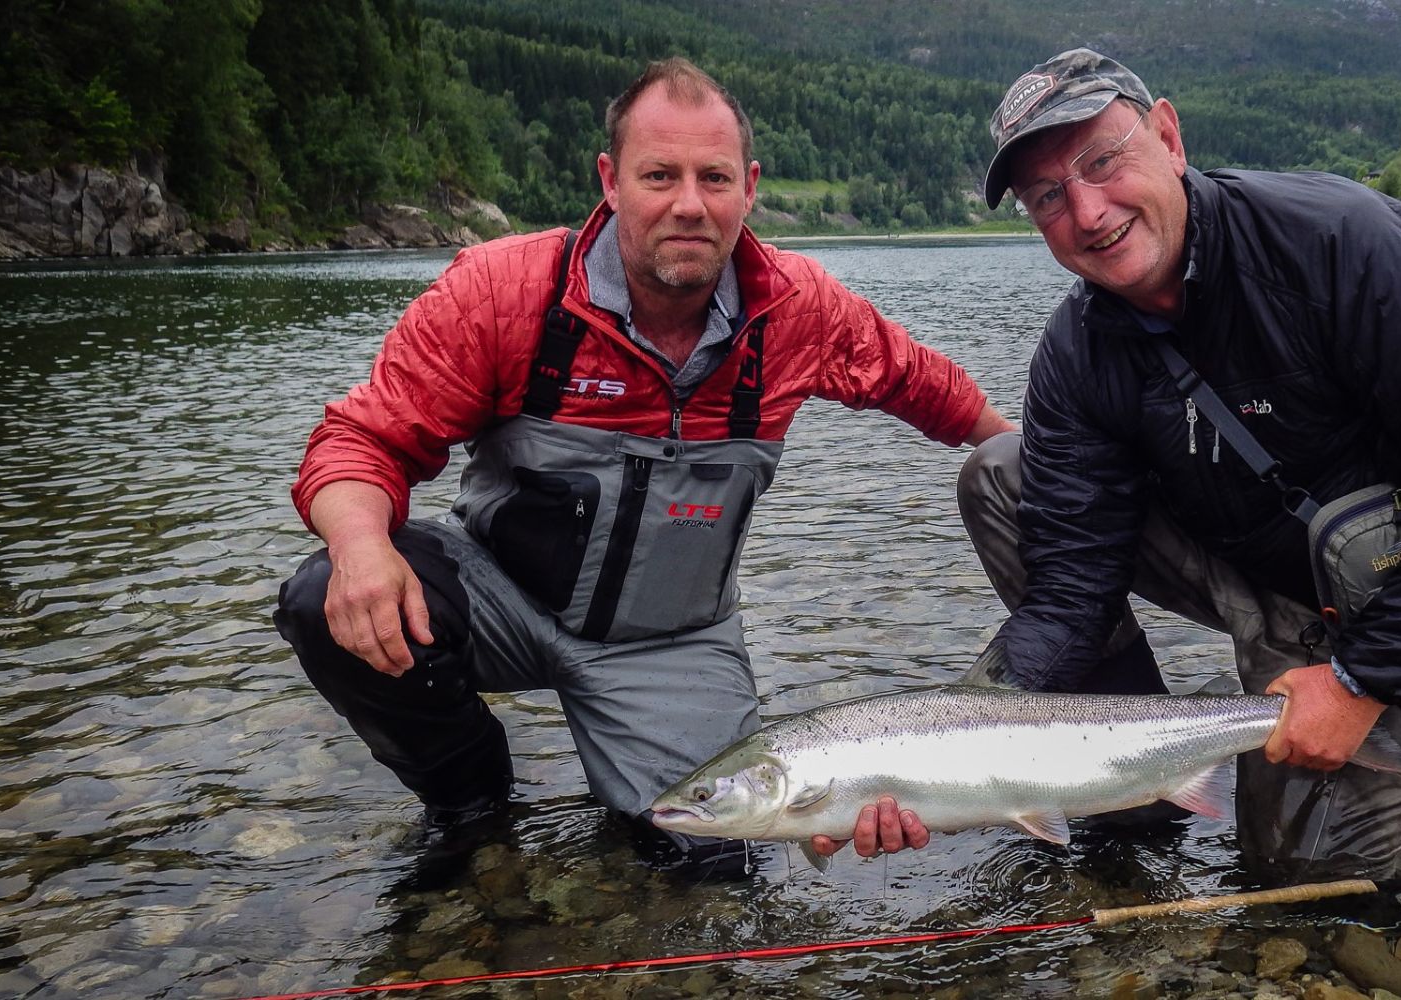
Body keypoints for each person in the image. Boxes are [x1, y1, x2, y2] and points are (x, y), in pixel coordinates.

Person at [274, 57, 1009, 879]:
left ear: (750, 187)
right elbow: (360, 441)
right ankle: (472, 806)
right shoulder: (503, 290)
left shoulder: (797, 310)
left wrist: (1027, 464)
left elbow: (928, 388)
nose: (688, 204)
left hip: (672, 642)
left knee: (715, 856)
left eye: (713, 178)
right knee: (322, 596)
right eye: (659, 175)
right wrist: (361, 545)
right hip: (498, 600)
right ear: (610, 180)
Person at [951, 48, 1401, 882]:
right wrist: (959, 727)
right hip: (1239, 563)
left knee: (1312, 880)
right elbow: (1069, 591)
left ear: (1167, 134)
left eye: (1103, 161)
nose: (1089, 212)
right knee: (1002, 472)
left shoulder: (1342, 242)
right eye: (1049, 197)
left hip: (1374, 599)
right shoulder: (1074, 355)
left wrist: (1361, 681)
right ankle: (1135, 783)